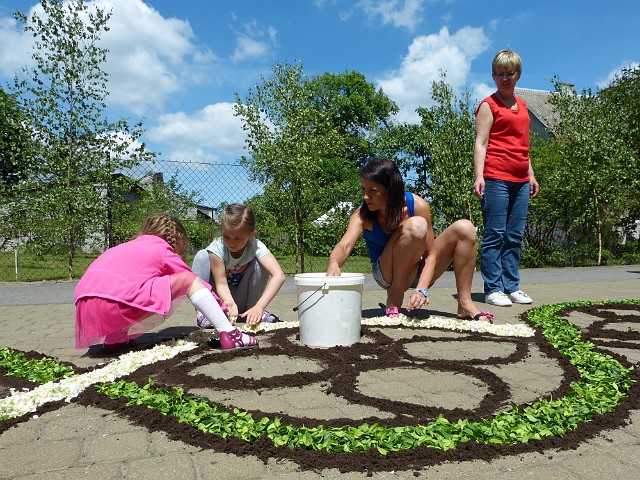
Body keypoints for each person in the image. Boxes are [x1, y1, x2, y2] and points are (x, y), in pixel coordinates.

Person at [327, 158, 492, 322]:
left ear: (390, 189)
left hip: (418, 269)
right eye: (363, 189)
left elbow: (430, 254)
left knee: (465, 228)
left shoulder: (418, 206)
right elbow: (344, 245)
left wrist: (422, 289)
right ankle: (395, 296)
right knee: (416, 225)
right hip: (386, 274)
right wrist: (334, 263)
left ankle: (465, 303)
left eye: (372, 191)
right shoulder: (363, 214)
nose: (365, 196)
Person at [74, 214, 259, 353]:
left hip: (85, 308)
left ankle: (116, 337)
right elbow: (190, 279)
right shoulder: (162, 249)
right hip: (115, 304)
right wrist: (221, 309)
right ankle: (230, 334)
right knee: (187, 279)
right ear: (177, 240)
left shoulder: (125, 246)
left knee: (134, 290)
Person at [473, 49, 540, 307]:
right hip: (495, 177)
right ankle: (493, 288)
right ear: (493, 76)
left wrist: (531, 175)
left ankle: (512, 286)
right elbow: (481, 143)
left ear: (518, 75)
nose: (504, 78)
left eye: (509, 73)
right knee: (495, 234)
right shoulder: (488, 106)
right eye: (499, 74)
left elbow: (524, 146)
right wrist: (479, 176)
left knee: (514, 235)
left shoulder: (523, 107)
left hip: (521, 180)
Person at [192, 203, 285, 326]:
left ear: (251, 234)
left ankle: (252, 311)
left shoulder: (255, 245)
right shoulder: (217, 248)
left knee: (261, 262)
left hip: (242, 297)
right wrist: (229, 303)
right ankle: (204, 312)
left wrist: (259, 306)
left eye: (238, 238)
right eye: (226, 236)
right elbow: (221, 284)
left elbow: (279, 276)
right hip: (219, 299)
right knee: (202, 256)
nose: (231, 243)